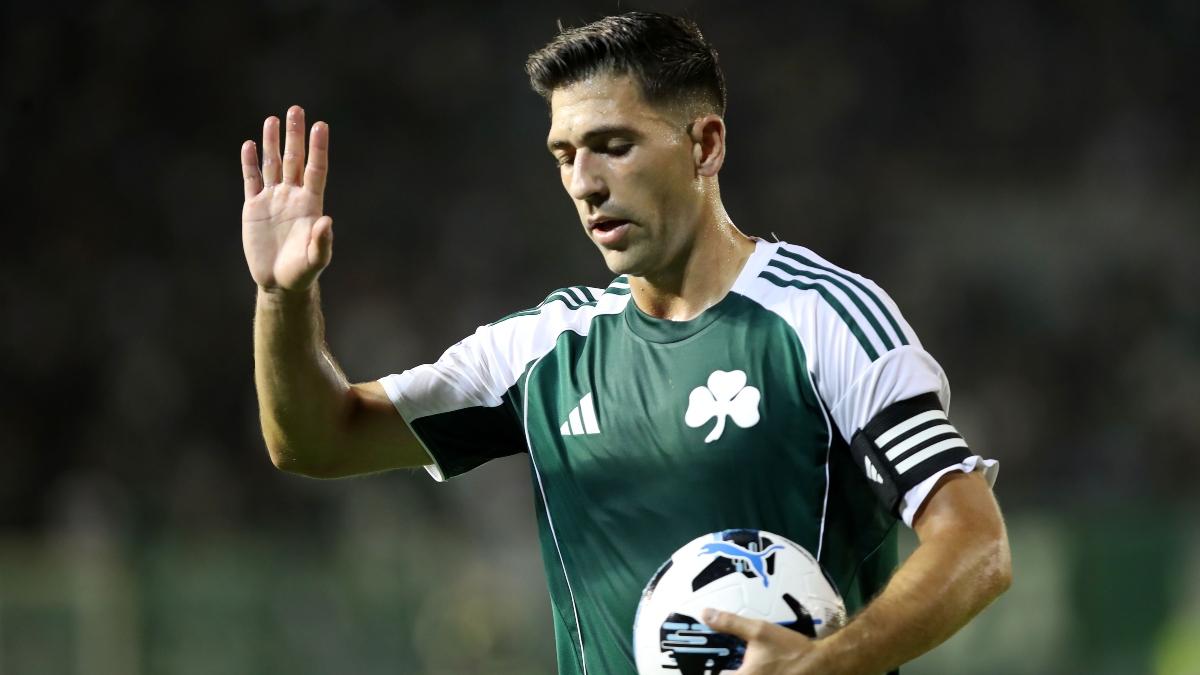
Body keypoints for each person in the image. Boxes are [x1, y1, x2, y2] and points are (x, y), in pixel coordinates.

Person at [239, 12, 1010, 675]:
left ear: (705, 145)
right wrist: (282, 297)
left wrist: (826, 661)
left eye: (612, 145)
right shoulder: (544, 351)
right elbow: (316, 440)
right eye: (564, 155)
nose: (584, 182)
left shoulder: (823, 319)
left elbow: (976, 542)